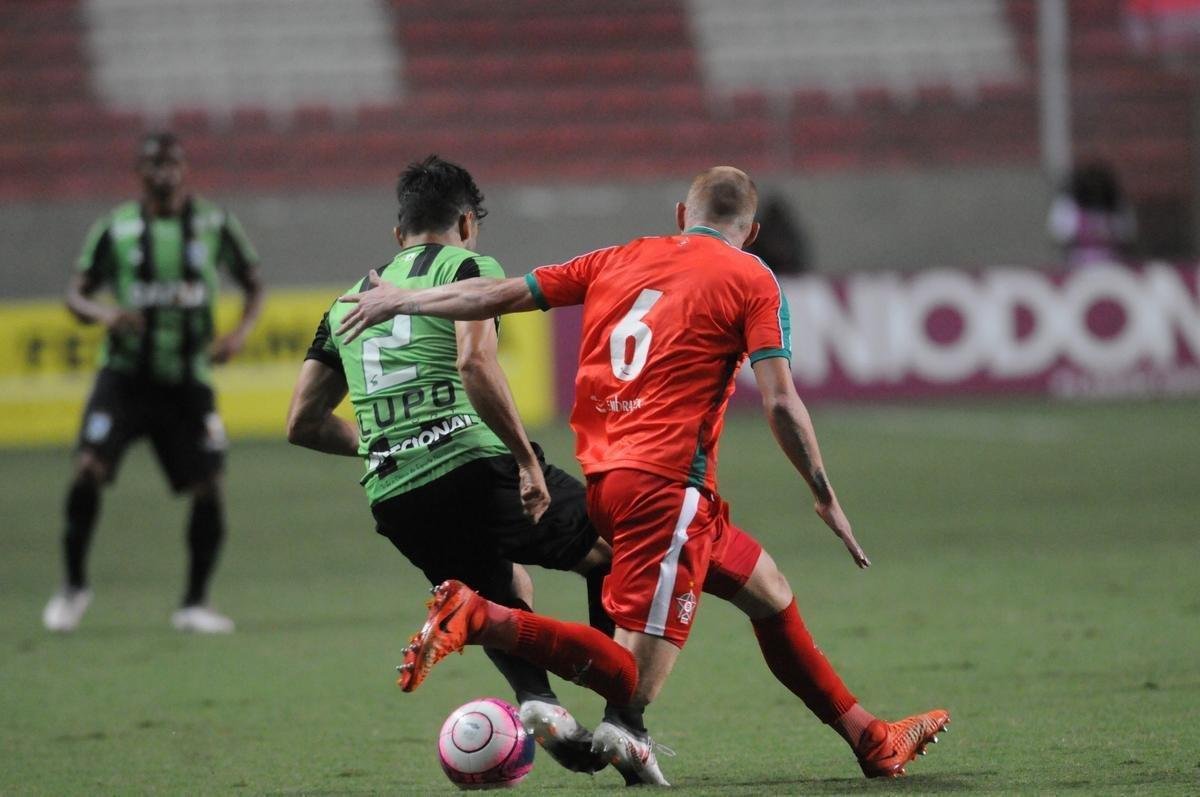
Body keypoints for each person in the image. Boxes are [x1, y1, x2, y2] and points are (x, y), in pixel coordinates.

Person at [337, 166, 950, 786]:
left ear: (682, 216)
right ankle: (483, 619)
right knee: (630, 689)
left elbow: (498, 296)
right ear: (753, 231)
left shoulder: (618, 257)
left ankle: (872, 739)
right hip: (667, 490)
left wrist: (404, 297)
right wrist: (824, 495)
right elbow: (782, 401)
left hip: (617, 481)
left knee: (770, 593)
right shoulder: (753, 276)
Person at [284, 155, 617, 773]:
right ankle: (621, 713)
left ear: (397, 234)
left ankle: (538, 700)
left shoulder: (344, 305)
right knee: (611, 553)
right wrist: (526, 461)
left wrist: (388, 441)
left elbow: (301, 422)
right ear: (467, 222)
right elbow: (474, 364)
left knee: (500, 594)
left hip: (395, 495)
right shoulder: (470, 267)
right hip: (471, 464)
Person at [42, 132, 264, 634]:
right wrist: (106, 314)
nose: (163, 173)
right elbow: (76, 296)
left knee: (209, 486)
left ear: (185, 169)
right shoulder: (116, 228)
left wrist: (237, 335)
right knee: (87, 469)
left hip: (188, 379)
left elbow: (254, 284)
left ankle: (194, 603)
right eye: (153, 165)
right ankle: (73, 587)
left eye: (171, 163)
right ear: (138, 173)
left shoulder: (214, 223)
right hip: (124, 378)